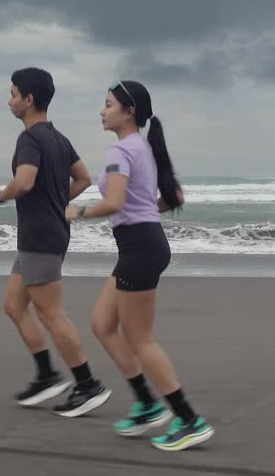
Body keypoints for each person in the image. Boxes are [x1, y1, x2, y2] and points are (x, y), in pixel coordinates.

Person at [66, 79, 214, 451]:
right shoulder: (143, 146)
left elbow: (114, 203)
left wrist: (76, 212)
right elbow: (174, 196)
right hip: (142, 245)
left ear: (129, 111)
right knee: (102, 325)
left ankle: (188, 419)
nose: (102, 111)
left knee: (141, 340)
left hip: (140, 248)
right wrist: (146, 212)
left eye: (108, 104)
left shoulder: (121, 150)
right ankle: (147, 404)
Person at [0, 67, 112, 417]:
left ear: (29, 100)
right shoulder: (58, 138)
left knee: (51, 313)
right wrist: (58, 202)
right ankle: (46, 375)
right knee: (14, 305)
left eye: (13, 94)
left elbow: (24, 181)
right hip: (44, 234)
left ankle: (87, 384)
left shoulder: (29, 139)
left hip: (40, 237)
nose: (9, 101)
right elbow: (84, 178)